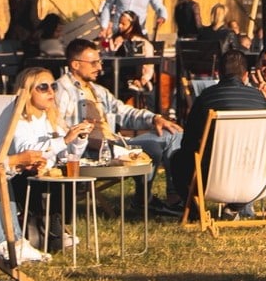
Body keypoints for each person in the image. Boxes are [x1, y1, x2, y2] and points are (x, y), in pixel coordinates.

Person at [0, 68, 92, 257]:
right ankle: (49, 229)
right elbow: (27, 151)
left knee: (68, 173)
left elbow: (69, 155)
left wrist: (79, 138)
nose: (51, 92)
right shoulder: (18, 120)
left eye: (53, 86)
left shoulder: (51, 118)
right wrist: (65, 140)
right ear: (28, 91)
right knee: (42, 176)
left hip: (46, 173)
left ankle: (56, 226)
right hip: (20, 175)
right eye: (43, 87)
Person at [166, 48, 266, 216]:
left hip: (211, 179)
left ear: (219, 74)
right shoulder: (260, 100)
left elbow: (188, 142)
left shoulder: (206, 98)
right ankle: (235, 208)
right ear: (245, 75)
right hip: (256, 179)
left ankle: (194, 212)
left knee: (177, 159)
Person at [54, 37, 181, 187]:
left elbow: (124, 112)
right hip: (87, 152)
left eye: (99, 62)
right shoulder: (61, 91)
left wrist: (155, 118)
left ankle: (175, 198)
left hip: (114, 144)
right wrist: (85, 141)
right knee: (152, 148)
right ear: (75, 64)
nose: (100, 67)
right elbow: (56, 129)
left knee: (172, 133)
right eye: (94, 63)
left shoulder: (98, 90)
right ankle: (144, 200)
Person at [108, 8, 155, 104]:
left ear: (132, 25)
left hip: (133, 78)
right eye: (119, 23)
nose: (120, 26)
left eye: (123, 24)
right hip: (116, 74)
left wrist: (144, 79)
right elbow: (109, 55)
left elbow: (148, 65)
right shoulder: (116, 39)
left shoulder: (139, 42)